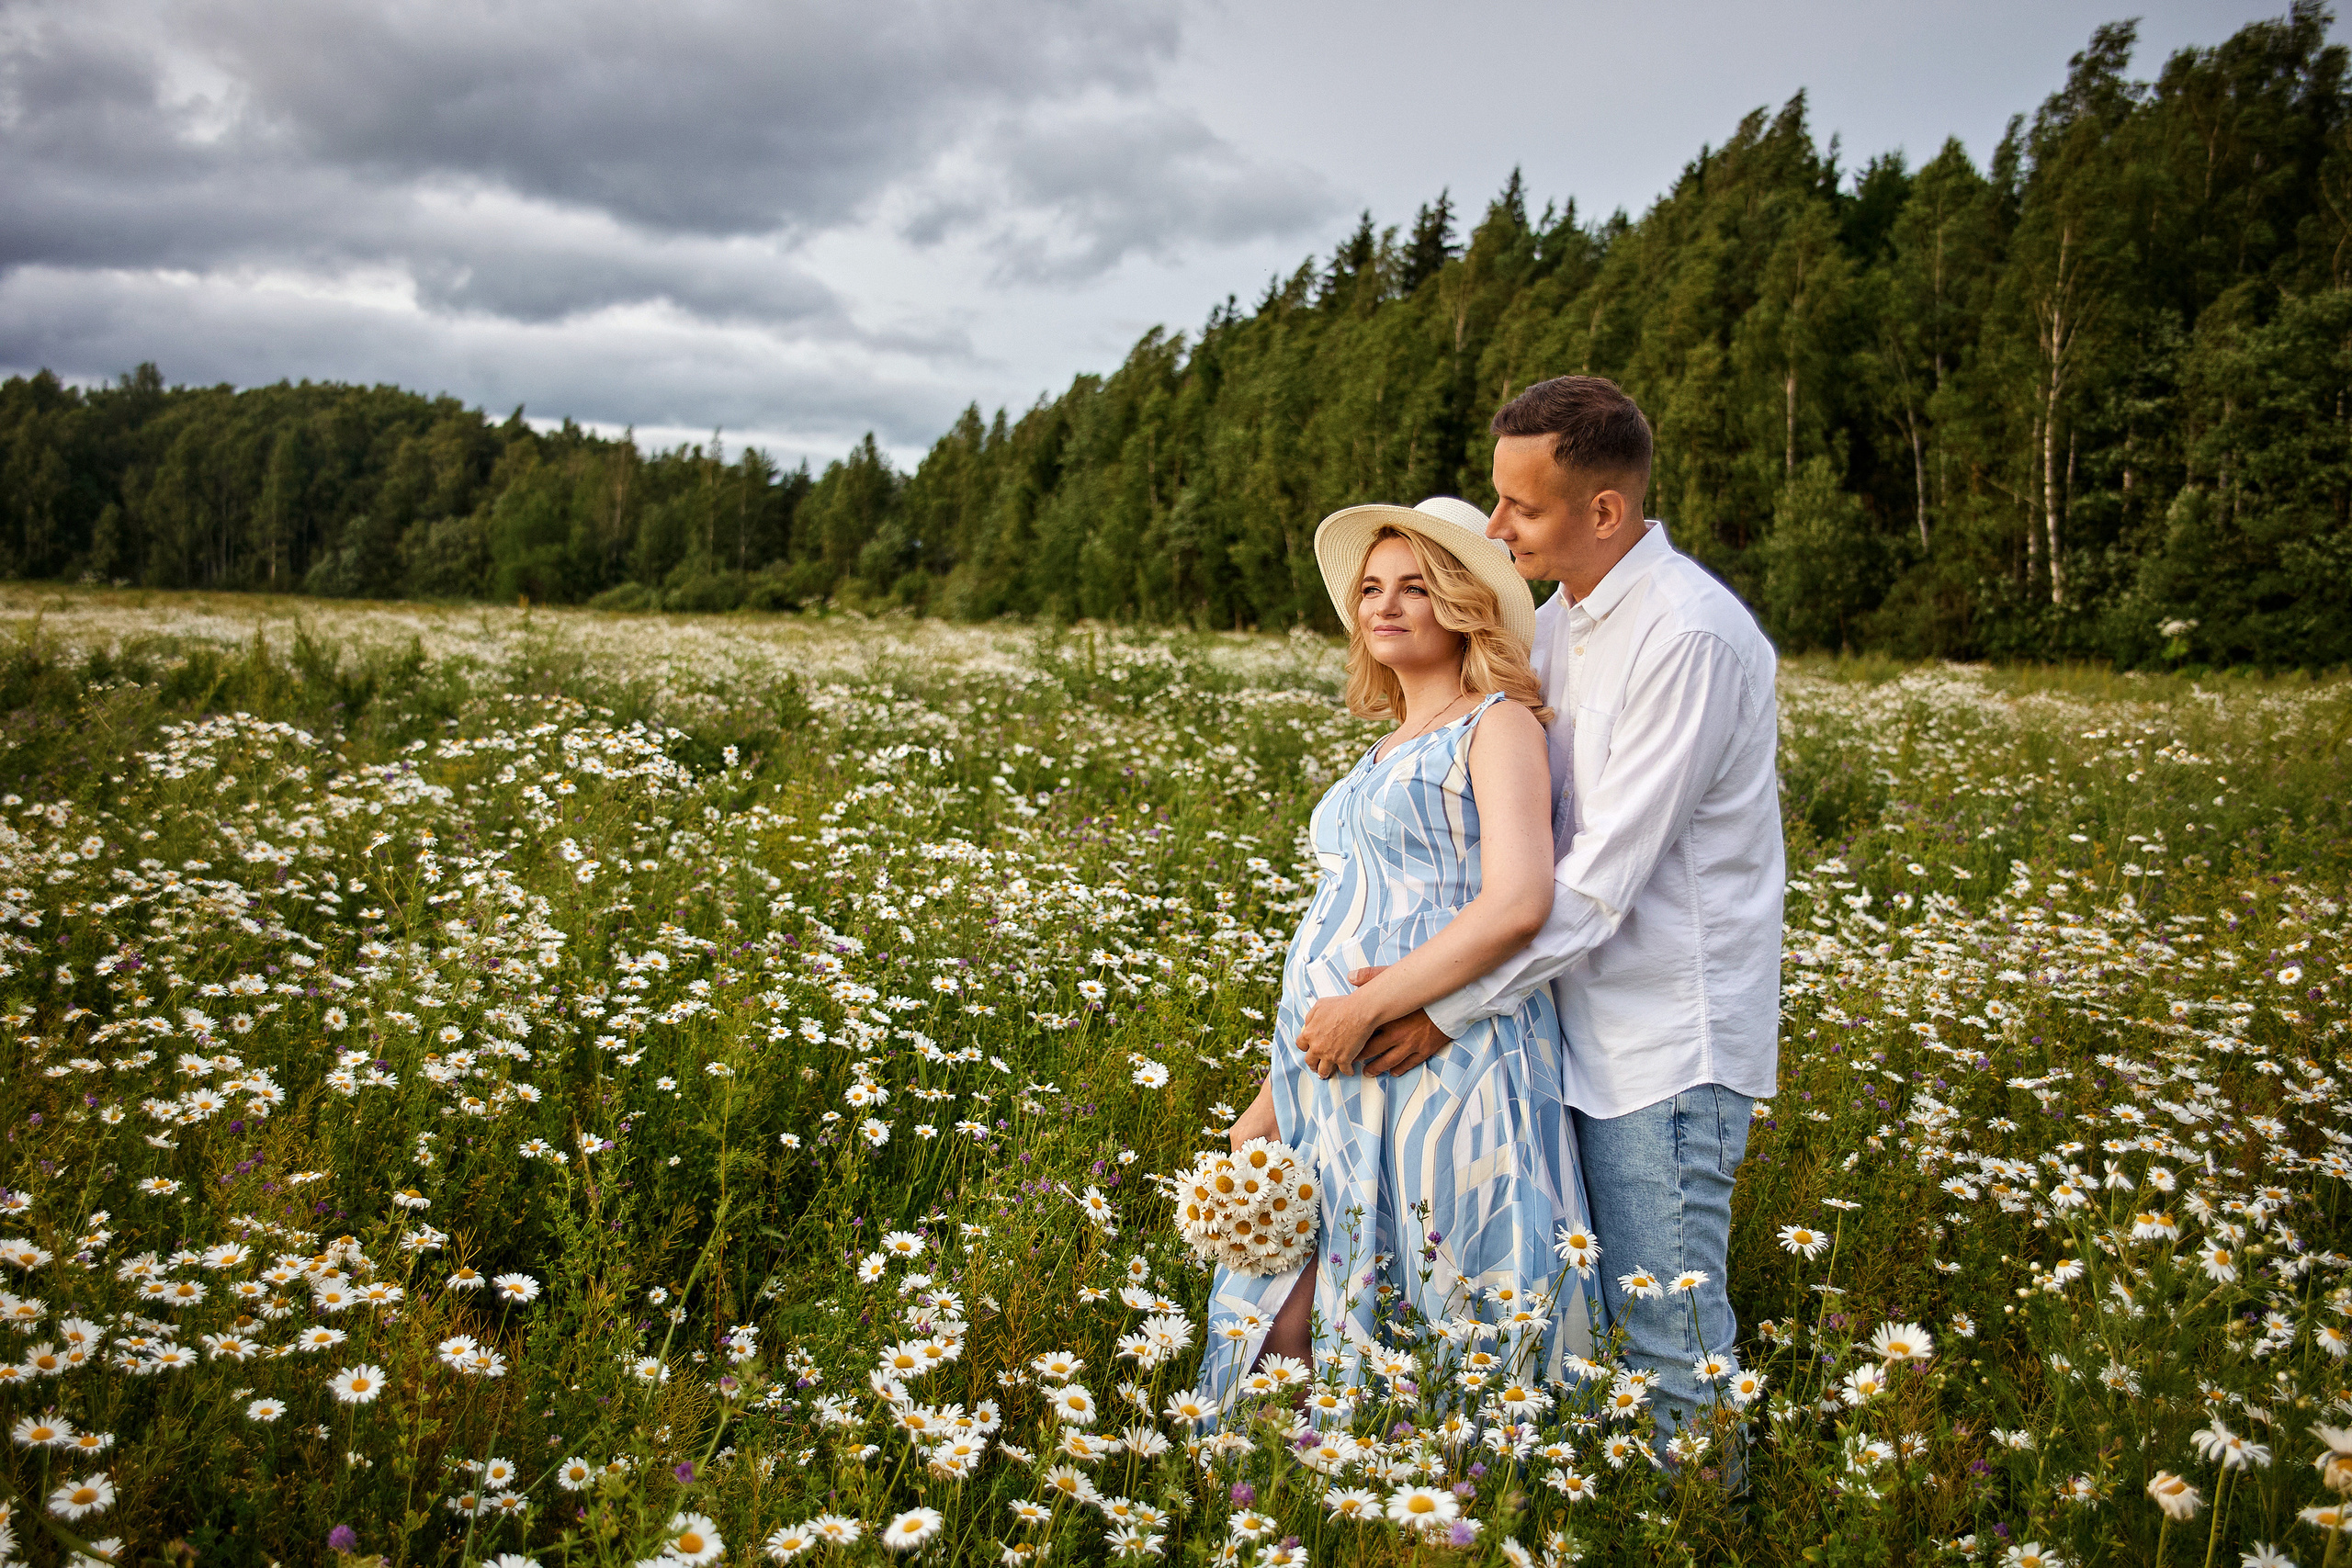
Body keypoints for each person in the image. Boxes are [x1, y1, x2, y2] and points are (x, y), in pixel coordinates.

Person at [1329, 376, 1783, 1471]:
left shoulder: (1687, 636)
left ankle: (1707, 1539)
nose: (1495, 527)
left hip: (1660, 1043)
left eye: (1519, 509)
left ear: (1605, 513)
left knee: (1669, 1336)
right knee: (1587, 1324)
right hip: (1556, 1028)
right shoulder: (1567, 622)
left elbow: (1593, 881)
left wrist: (1434, 1002)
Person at [1198, 498, 1596, 1410]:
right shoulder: (1379, 751)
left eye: (1415, 586)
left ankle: (1437, 1502)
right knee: (1287, 1288)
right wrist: (1270, 1097)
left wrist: (1369, 1006)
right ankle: (1283, 1506)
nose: (1385, 605)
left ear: (1461, 604)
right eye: (1371, 588)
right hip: (1331, 1066)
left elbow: (1517, 902)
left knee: (1431, 1286)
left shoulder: (1498, 724)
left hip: (1441, 1060)